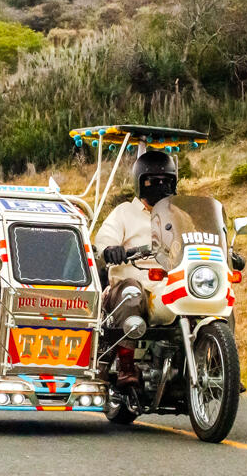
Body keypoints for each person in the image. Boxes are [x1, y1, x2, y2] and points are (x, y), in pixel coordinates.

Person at [94, 150, 177, 386]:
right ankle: (126, 365)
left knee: (216, 294)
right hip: (132, 282)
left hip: (169, 282)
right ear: (141, 183)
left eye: (167, 181)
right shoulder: (123, 212)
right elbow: (104, 239)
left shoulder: (178, 216)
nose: (161, 186)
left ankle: (221, 361)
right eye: (153, 181)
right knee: (132, 293)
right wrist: (111, 249)